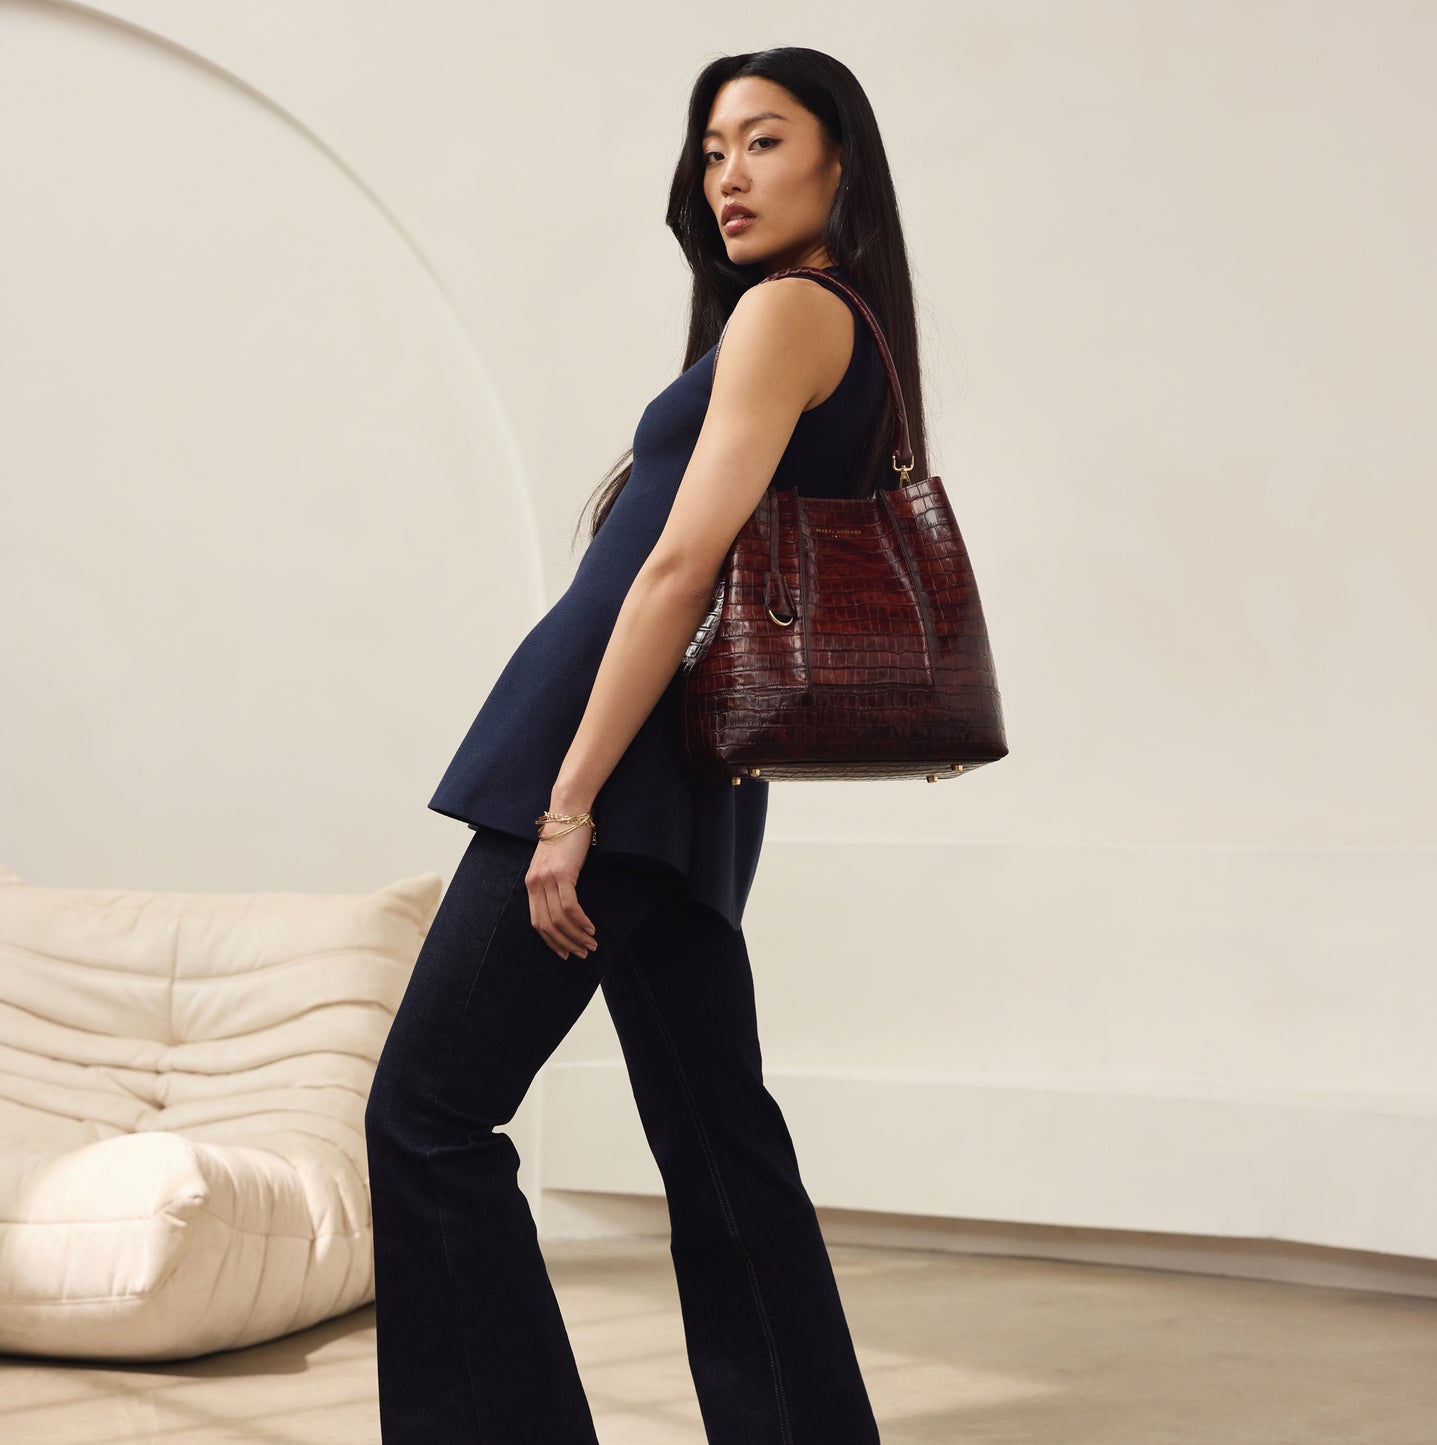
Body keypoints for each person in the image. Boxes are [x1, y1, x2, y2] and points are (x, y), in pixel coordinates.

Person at [365, 44, 931, 1445]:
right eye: (713, 149)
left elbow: (678, 570)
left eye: (764, 141)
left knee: (427, 1117)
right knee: (718, 1141)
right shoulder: (830, 325)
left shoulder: (791, 311)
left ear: (840, 162)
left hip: (608, 768)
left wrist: (567, 804)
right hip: (686, 785)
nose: (727, 174)